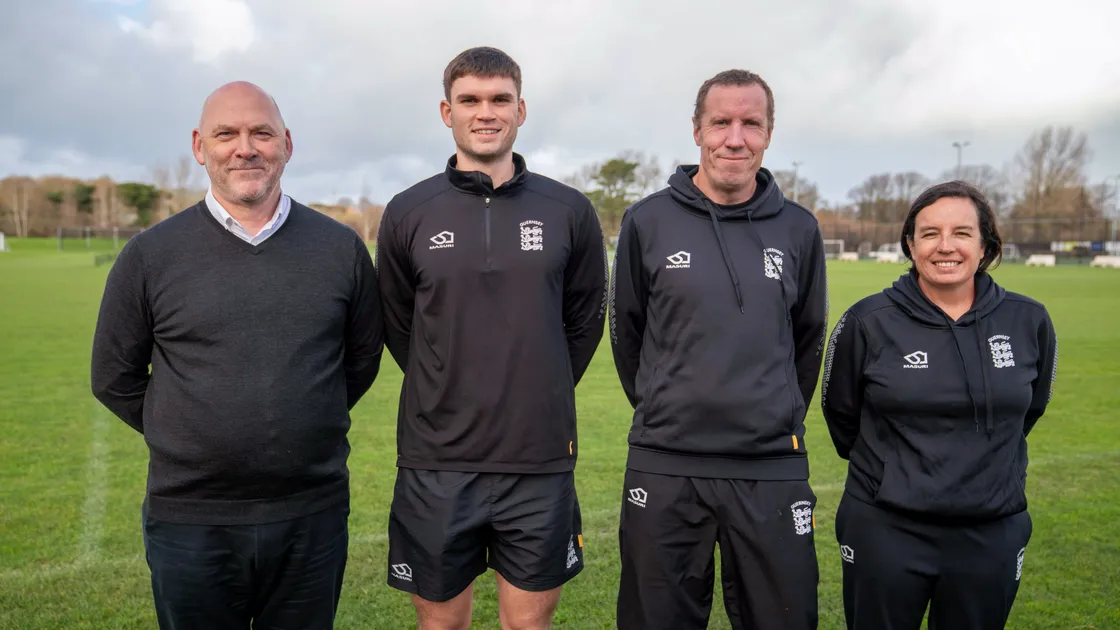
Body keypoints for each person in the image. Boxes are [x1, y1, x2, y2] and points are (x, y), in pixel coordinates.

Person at [90, 81, 384, 630]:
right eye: (226, 134)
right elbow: (113, 376)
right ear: (199, 147)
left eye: (261, 134)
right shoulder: (149, 255)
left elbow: (361, 360)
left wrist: (304, 416)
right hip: (190, 519)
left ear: (287, 144)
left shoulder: (340, 248)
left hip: (311, 514)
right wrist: (190, 434)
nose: (245, 148)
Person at [377, 46, 607, 630]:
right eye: (470, 100)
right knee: (442, 625)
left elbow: (584, 322)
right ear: (446, 111)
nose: (486, 112)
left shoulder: (569, 210)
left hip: (538, 460)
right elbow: (400, 324)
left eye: (500, 99)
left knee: (527, 625)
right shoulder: (408, 211)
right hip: (436, 461)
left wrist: (540, 381)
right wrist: (444, 380)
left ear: (521, 110)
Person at [609, 69, 829, 630]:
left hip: (770, 466)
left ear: (769, 132)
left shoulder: (799, 229)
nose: (735, 138)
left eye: (750, 123)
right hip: (666, 463)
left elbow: (807, 340)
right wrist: (667, 404)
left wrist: (773, 413)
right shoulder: (647, 220)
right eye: (720, 123)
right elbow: (627, 333)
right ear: (696, 130)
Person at [821, 180, 1059, 629]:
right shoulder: (868, 320)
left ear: (985, 245)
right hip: (885, 527)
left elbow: (1030, 408)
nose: (945, 246)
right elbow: (841, 415)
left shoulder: (1029, 320)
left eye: (962, 233)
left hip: (991, 530)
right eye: (930, 233)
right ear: (911, 245)